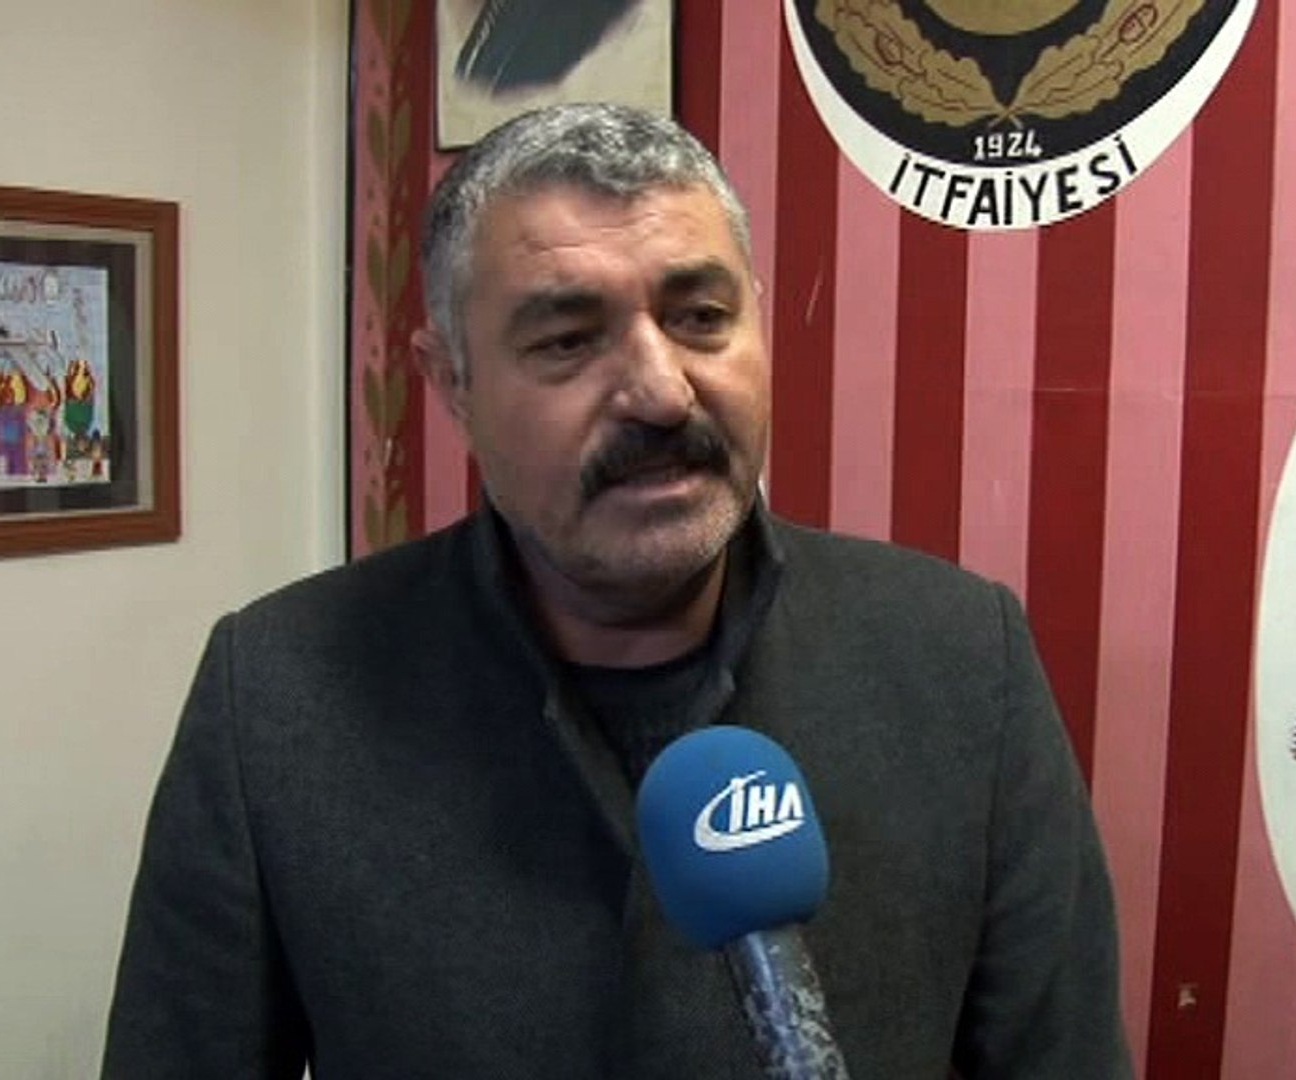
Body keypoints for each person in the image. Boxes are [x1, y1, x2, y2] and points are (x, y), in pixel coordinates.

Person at [102, 102, 1129, 1079]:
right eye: (567, 340)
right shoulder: (277, 693)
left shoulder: (961, 658)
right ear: (451, 380)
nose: (660, 391)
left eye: (701, 318)